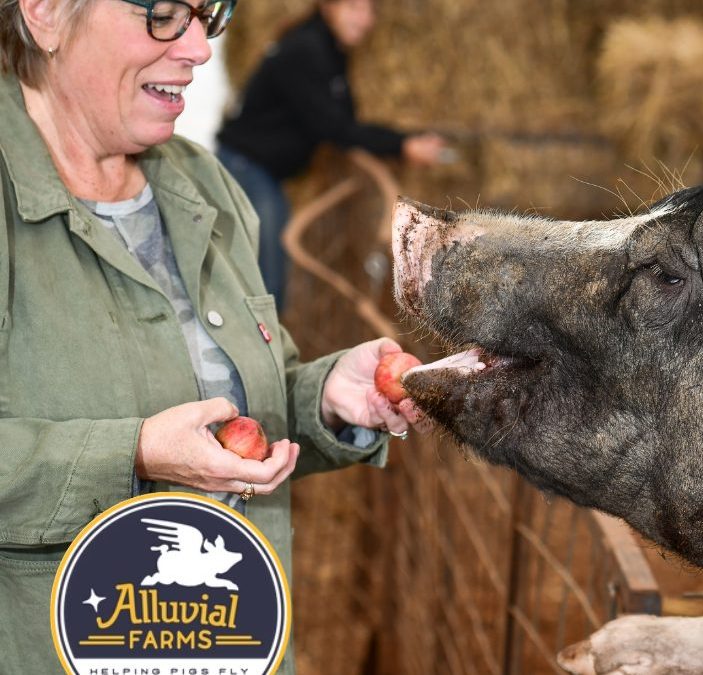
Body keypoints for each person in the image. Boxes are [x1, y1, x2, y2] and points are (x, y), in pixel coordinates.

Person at [0, 0, 425, 672]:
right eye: (165, 12)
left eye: (210, 13)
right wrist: (133, 453)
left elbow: (237, 408)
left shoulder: (208, 186)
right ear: (47, 13)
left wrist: (322, 398)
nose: (199, 48)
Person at [216, 0, 446, 309]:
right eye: (353, 7)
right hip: (248, 167)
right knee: (267, 279)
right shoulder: (306, 50)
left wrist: (403, 140)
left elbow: (344, 122)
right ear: (327, 7)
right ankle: (264, 349)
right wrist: (402, 145)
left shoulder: (329, 50)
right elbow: (335, 128)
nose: (365, 20)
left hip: (259, 169)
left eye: (370, 10)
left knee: (266, 269)